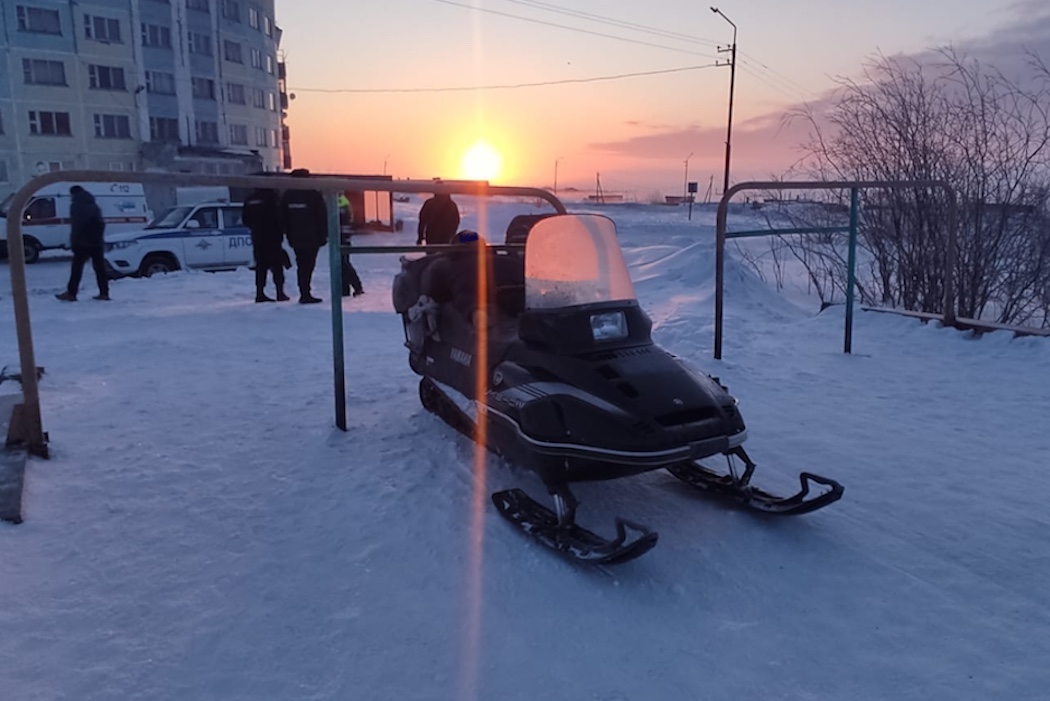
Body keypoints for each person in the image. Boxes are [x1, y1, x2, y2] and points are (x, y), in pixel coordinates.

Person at [279, 168, 328, 304]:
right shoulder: (313, 195)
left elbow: (283, 218)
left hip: (296, 238)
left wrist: (287, 234)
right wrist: (323, 236)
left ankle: (304, 292)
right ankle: (305, 293)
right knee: (308, 266)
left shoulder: (287, 196)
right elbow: (322, 217)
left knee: (302, 266)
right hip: (312, 238)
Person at [56, 186, 109, 302]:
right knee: (100, 268)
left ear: (73, 194)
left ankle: (71, 293)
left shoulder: (76, 205)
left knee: (77, 269)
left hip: (82, 242)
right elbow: (101, 223)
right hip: (96, 242)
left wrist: (74, 241)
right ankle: (104, 292)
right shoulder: (93, 204)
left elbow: (77, 226)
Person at [242, 186, 289, 302]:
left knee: (260, 266)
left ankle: (260, 293)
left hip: (258, 237)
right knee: (277, 266)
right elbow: (280, 217)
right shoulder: (273, 197)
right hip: (273, 236)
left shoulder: (250, 198)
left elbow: (245, 219)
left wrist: (256, 227)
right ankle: (280, 292)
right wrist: (281, 230)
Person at [338, 192, 364, 297]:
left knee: (343, 263)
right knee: (342, 264)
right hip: (344, 236)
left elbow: (342, 219)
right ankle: (345, 289)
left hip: (342, 236)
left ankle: (357, 286)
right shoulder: (342, 200)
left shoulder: (339, 201)